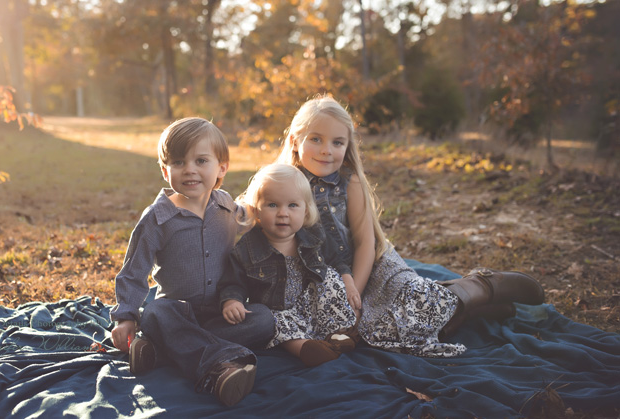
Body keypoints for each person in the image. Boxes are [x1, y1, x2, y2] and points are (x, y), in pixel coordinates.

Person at [277, 95, 545, 357]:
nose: (327, 150)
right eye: (316, 139)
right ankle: (472, 308)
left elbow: (365, 244)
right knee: (379, 333)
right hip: (324, 281)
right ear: (294, 141)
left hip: (368, 269)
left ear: (347, 147)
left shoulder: (351, 182)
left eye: (337, 142)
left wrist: (354, 296)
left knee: (416, 307)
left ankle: (480, 287)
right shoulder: (282, 184)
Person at [109, 117, 275, 406]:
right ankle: (220, 367)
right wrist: (125, 316)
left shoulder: (226, 206)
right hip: (175, 312)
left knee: (264, 319)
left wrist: (272, 212)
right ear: (165, 170)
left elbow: (251, 220)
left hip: (220, 311)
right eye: (178, 162)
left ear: (221, 167)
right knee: (155, 314)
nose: (190, 170)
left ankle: (162, 351)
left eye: (200, 160)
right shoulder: (157, 219)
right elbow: (134, 272)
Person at [219, 163, 358, 367]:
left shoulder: (314, 236)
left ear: (305, 210)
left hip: (311, 302)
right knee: (273, 321)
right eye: (272, 205)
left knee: (330, 279)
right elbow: (232, 281)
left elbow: (336, 260)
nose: (283, 213)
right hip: (277, 310)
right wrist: (231, 301)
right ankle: (304, 348)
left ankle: (338, 334)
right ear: (256, 210)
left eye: (292, 205)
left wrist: (348, 281)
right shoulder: (247, 248)